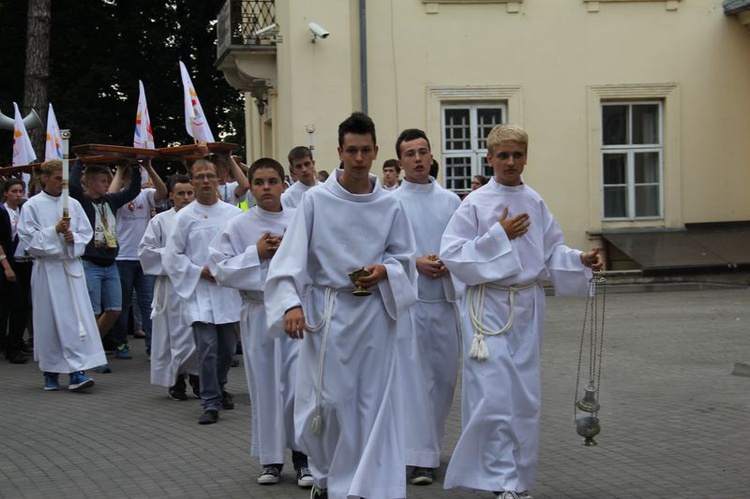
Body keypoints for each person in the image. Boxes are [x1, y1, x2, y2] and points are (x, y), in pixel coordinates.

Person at [440, 124, 603, 499]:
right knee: (494, 398)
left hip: (527, 307)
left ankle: (517, 480)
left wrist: (581, 259)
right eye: (503, 156)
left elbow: (551, 252)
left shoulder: (535, 201)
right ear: (489, 158)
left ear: (526, 157)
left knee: (524, 401)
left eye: (517, 155)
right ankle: (500, 481)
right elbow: (452, 254)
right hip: (487, 310)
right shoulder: (475, 203)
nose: (510, 162)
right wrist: (499, 235)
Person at [264, 112, 417, 499]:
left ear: (377, 151)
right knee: (327, 404)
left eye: (366, 150)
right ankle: (327, 474)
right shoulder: (316, 201)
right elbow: (289, 259)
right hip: (327, 311)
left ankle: (367, 485)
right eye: (352, 150)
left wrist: (385, 270)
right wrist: (290, 304)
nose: (360, 158)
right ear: (340, 152)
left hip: (374, 317)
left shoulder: (390, 205)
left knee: (371, 404)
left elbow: (405, 258)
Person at [209, 157, 313, 488]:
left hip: (296, 313)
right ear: (250, 187)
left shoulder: (300, 219)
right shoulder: (239, 226)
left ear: (284, 183)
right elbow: (219, 269)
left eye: (272, 181)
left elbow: (317, 261)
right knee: (265, 385)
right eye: (259, 182)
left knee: (299, 386)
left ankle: (303, 457)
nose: (266, 188)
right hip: (258, 311)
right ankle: (271, 459)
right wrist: (256, 252)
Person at [391, 128, 463, 486]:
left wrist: (451, 262)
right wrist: (415, 262)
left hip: (444, 301)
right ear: (400, 161)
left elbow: (463, 244)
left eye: (423, 151)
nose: (418, 159)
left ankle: (429, 448)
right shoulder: (391, 201)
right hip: (410, 303)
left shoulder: (451, 201)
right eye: (410, 153)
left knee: (444, 380)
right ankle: (417, 458)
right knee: (414, 382)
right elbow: (386, 250)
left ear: (432, 156)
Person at [163, 159, 242, 424]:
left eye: (210, 175)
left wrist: (229, 270)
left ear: (218, 179)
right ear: (193, 181)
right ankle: (210, 401)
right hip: (199, 290)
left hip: (226, 291)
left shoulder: (233, 214)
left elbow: (242, 250)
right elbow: (173, 256)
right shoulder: (184, 217)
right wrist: (199, 271)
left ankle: (219, 386)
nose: (206, 181)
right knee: (207, 347)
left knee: (228, 350)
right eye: (200, 177)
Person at [18, 159, 106, 391]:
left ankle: (78, 371)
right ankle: (51, 371)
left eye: (65, 180)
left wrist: (73, 238)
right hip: (48, 270)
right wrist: (53, 231)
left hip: (71, 268)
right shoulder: (32, 206)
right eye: (58, 179)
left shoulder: (74, 204)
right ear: (44, 178)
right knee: (48, 321)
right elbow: (28, 240)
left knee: (75, 320)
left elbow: (86, 232)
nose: (62, 184)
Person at [71, 160, 141, 372]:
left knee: (115, 309)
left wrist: (136, 168)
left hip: (110, 264)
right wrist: (79, 162)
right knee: (92, 311)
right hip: (90, 263)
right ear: (90, 183)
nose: (108, 184)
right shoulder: (81, 201)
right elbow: (73, 186)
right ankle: (92, 355)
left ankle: (93, 348)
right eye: (103, 181)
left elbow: (133, 191)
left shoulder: (110, 200)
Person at [138, 174, 199, 401]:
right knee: (172, 336)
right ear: (171, 195)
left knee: (194, 334)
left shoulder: (200, 218)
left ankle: (197, 376)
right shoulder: (160, 221)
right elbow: (146, 252)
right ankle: (176, 380)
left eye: (189, 193)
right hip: (171, 286)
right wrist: (175, 257)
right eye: (180, 193)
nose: (185, 198)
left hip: (194, 285)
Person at [108, 159, 167, 359]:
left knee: (148, 304)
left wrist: (149, 167)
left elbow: (163, 191)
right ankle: (121, 344)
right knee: (121, 306)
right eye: (131, 174)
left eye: (137, 173)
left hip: (144, 258)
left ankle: (153, 346)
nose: (134, 176)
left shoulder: (147, 195)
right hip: (122, 257)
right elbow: (109, 195)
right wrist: (120, 169)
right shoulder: (117, 197)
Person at [0, 178, 33, 364]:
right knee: (15, 306)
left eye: (21, 191)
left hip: (26, 263)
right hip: (10, 265)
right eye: (14, 191)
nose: (18, 195)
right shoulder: (3, 212)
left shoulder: (25, 210)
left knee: (24, 305)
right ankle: (11, 347)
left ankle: (16, 341)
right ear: (6, 193)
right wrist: (7, 267)